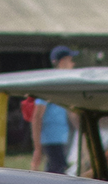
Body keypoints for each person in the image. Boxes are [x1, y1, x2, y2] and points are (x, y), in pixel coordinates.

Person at [31, 45, 78, 173]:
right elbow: (37, 117)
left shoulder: (62, 86)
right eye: (70, 60)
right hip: (51, 139)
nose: (73, 64)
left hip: (62, 138)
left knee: (57, 170)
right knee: (58, 171)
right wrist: (37, 148)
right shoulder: (49, 85)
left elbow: (70, 113)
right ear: (62, 62)